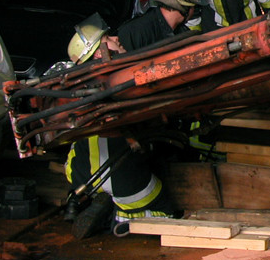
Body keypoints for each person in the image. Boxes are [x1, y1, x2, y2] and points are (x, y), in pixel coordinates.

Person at [59, 20, 180, 239]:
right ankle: (120, 218)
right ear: (98, 55)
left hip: (79, 175)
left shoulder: (81, 90)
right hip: (119, 179)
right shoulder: (118, 85)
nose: (117, 38)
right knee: (167, 211)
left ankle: (101, 203)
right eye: (108, 39)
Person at [115, 0, 203, 51]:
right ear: (185, 7)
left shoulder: (182, 33)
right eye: (193, 7)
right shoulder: (135, 32)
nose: (194, 11)